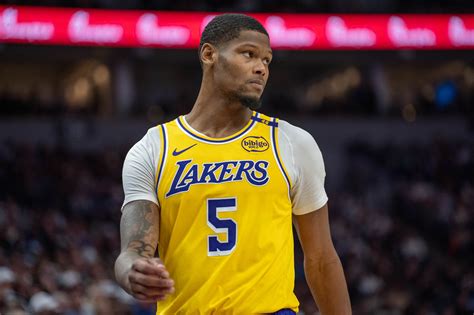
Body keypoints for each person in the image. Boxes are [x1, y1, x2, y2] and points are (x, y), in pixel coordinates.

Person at [115, 13, 351, 314]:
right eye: (248, 54)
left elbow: (321, 258)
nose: (260, 68)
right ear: (209, 54)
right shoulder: (152, 149)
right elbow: (132, 252)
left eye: (267, 60)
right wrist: (132, 272)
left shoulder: (291, 143)